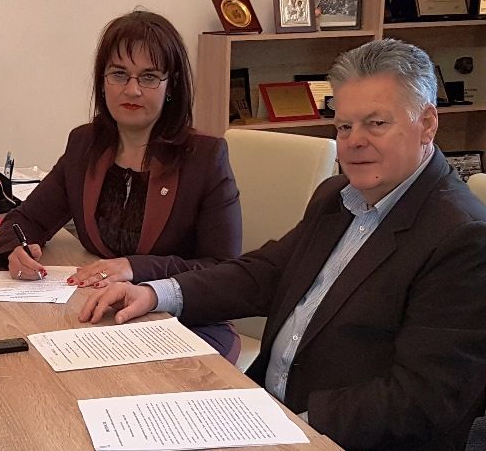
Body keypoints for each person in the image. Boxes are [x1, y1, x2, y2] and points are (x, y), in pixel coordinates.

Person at [80, 38, 486, 450]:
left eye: (376, 123)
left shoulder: (463, 236)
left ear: (427, 124)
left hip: (324, 437)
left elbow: (424, 400)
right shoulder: (337, 196)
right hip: (264, 411)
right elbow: (265, 274)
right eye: (345, 126)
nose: (354, 141)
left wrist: (287, 427)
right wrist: (155, 293)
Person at [0, 10, 243, 360]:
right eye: (119, 74)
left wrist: (134, 266)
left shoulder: (204, 157)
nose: (132, 90)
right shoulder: (85, 145)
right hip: (104, 315)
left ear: (171, 86)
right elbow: (25, 219)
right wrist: (15, 251)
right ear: (102, 81)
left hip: (183, 320)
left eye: (149, 77)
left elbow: (224, 270)